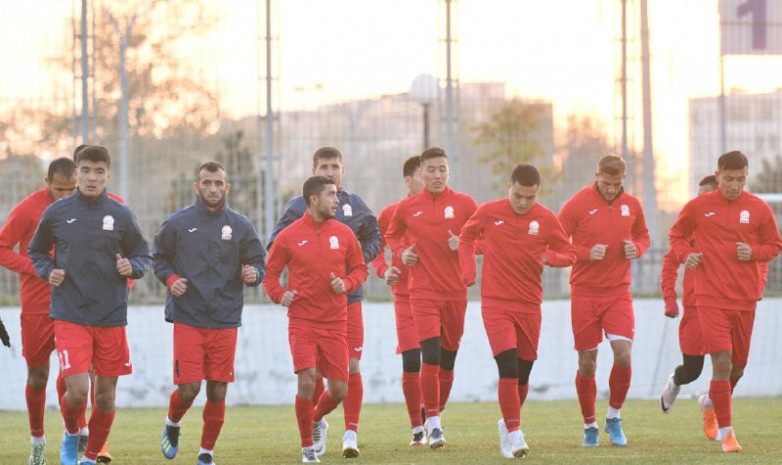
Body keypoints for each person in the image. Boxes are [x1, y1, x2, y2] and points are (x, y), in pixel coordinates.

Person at [28, 145, 151, 465]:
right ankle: (71, 433)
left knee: (106, 397)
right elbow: (36, 251)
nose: (92, 178)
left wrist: (132, 268)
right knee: (78, 391)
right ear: (77, 172)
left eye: (99, 172)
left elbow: (142, 255)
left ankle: (91, 455)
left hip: (110, 316)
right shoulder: (57, 213)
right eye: (85, 171)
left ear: (107, 174)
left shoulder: (121, 214)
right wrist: (47, 270)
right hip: (70, 314)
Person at [267, 146, 380, 458]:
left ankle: (350, 433)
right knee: (310, 376)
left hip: (348, 301)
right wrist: (289, 285)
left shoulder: (355, 206)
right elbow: (275, 248)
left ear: (342, 170)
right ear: (314, 171)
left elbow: (373, 241)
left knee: (350, 369)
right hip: (307, 311)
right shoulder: (296, 210)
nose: (330, 171)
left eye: (335, 166)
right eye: (324, 166)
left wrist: (349, 270)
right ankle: (312, 432)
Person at [153, 161, 266, 465]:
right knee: (189, 389)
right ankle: (173, 423)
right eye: (207, 183)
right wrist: (171, 279)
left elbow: (259, 262)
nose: (213, 188)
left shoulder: (241, 225)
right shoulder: (177, 223)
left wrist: (254, 273)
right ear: (197, 187)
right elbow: (158, 259)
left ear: (226, 187)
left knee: (217, 391)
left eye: (218, 183)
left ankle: (206, 453)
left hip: (225, 318)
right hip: (188, 316)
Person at [460, 164, 576, 459]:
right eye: (518, 195)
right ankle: (515, 432)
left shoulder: (547, 219)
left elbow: (570, 253)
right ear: (508, 188)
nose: (523, 202)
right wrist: (467, 270)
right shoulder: (489, 212)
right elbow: (466, 236)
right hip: (496, 305)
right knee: (508, 367)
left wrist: (552, 257)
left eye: (530, 197)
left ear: (537, 193)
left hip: (529, 306)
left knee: (523, 375)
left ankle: (507, 423)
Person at [668, 150, 781, 453]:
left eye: (740, 179)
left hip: (744, 300)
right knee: (721, 361)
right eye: (729, 179)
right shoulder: (697, 207)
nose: (734, 185)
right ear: (717, 176)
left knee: (737, 369)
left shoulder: (758, 209)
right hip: (709, 298)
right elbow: (676, 237)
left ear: (747, 176)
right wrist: (685, 255)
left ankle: (709, 402)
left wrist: (754, 252)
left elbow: (774, 245)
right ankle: (728, 434)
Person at [385, 146, 478, 449]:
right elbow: (392, 235)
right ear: (420, 174)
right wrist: (402, 253)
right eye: (431, 170)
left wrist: (464, 244)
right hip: (421, 293)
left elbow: (487, 238)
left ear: (448, 172)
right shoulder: (408, 208)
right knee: (430, 356)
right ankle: (433, 426)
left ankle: (432, 417)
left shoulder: (465, 204)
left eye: (442, 169)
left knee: (448, 362)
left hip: (455, 294)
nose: (437, 175)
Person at [557, 154, 650, 448]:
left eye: (616, 184)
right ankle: (590, 425)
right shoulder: (577, 204)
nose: (610, 189)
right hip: (584, 293)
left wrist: (637, 247)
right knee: (587, 363)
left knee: (623, 354)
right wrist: (584, 252)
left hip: (618, 293)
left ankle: (613, 417)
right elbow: (556, 242)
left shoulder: (633, 205)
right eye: (605, 183)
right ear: (596, 175)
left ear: (623, 179)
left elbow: (644, 236)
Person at [0, 157, 77, 465]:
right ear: (47, 184)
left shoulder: (83, 208)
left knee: (74, 375)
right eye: (60, 189)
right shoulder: (28, 208)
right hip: (36, 307)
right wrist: (36, 268)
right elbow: (2, 247)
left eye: (72, 189)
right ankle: (37, 442)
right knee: (37, 375)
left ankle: (73, 435)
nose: (66, 196)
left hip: (74, 304)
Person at [370, 155, 426, 446]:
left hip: (439, 297)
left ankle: (432, 416)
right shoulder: (392, 212)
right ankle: (417, 428)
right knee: (411, 361)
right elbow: (376, 249)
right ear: (408, 180)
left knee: (437, 364)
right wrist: (384, 270)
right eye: (422, 174)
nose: (429, 178)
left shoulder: (447, 211)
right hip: (405, 298)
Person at [659, 175, 718, 415]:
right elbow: (669, 264)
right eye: (698, 193)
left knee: (729, 364)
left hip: (725, 306)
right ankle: (675, 382)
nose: (699, 199)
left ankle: (715, 410)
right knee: (693, 371)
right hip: (695, 309)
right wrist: (670, 300)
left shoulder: (733, 228)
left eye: (705, 194)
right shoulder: (689, 231)